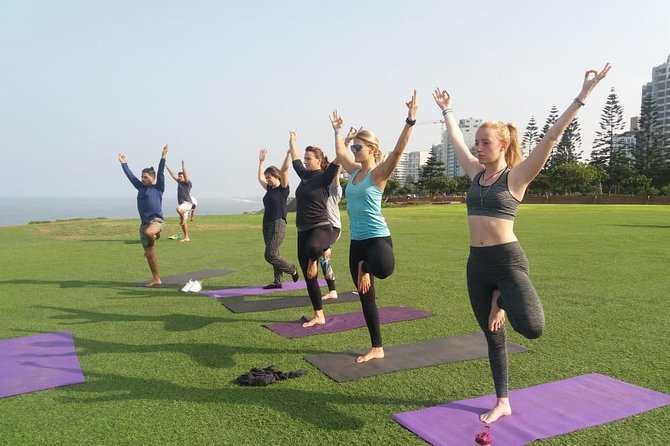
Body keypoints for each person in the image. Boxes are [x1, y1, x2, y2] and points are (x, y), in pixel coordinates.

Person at [432, 64, 611, 423]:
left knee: (531, 327)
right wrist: (447, 110)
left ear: (504, 144)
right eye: (477, 143)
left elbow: (551, 138)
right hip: (477, 265)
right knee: (492, 335)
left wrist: (583, 96)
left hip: (508, 262)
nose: (478, 148)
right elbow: (454, 139)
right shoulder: (474, 174)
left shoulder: (516, 177)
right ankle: (503, 400)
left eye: (485, 143)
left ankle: (504, 298)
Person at [330, 90, 418, 363]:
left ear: (371, 149)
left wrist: (410, 120)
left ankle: (366, 267)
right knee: (366, 297)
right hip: (357, 242)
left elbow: (400, 149)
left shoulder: (379, 173)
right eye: (353, 147)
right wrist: (338, 132)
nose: (354, 151)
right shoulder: (353, 171)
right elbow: (339, 153)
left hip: (378, 238)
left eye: (358, 147)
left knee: (384, 270)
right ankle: (376, 346)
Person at [289, 131, 340, 327]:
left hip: (321, 226)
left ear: (319, 161)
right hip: (302, 230)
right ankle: (319, 314)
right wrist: (292, 141)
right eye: (305, 158)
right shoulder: (304, 176)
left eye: (309, 158)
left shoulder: (324, 177)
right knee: (310, 278)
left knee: (314, 248)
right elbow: (295, 161)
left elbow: (338, 159)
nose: (306, 161)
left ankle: (314, 259)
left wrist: (343, 138)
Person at [118, 145, 169, 287]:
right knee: (150, 255)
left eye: (145, 177)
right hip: (144, 223)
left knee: (149, 233)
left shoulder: (158, 188)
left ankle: (155, 236)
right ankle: (156, 278)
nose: (142, 179)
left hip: (156, 220)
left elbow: (160, 172)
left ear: (152, 178)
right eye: (142, 177)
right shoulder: (140, 187)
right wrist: (124, 163)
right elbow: (130, 176)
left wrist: (163, 157)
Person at [257, 147, 299, 289]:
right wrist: (261, 162)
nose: (267, 179)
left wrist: (287, 154)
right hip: (266, 224)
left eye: (269, 177)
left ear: (276, 176)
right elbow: (260, 178)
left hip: (278, 223)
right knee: (276, 253)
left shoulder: (283, 188)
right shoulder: (269, 189)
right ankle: (277, 282)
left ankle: (292, 269)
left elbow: (285, 170)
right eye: (267, 177)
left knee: (270, 255)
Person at [319, 163, 343, 300]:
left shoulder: (334, 190)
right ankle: (332, 291)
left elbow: (335, 177)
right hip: (321, 228)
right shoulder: (320, 189)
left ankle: (332, 290)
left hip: (333, 228)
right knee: (323, 260)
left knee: (324, 253)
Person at [166, 160, 194, 242]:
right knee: (183, 224)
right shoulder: (179, 182)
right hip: (183, 204)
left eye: (181, 176)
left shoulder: (187, 183)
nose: (179, 177)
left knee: (178, 209)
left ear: (185, 177)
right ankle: (186, 237)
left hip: (187, 203)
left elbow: (186, 175)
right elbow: (173, 175)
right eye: (179, 176)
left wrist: (183, 166)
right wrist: (167, 168)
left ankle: (182, 219)